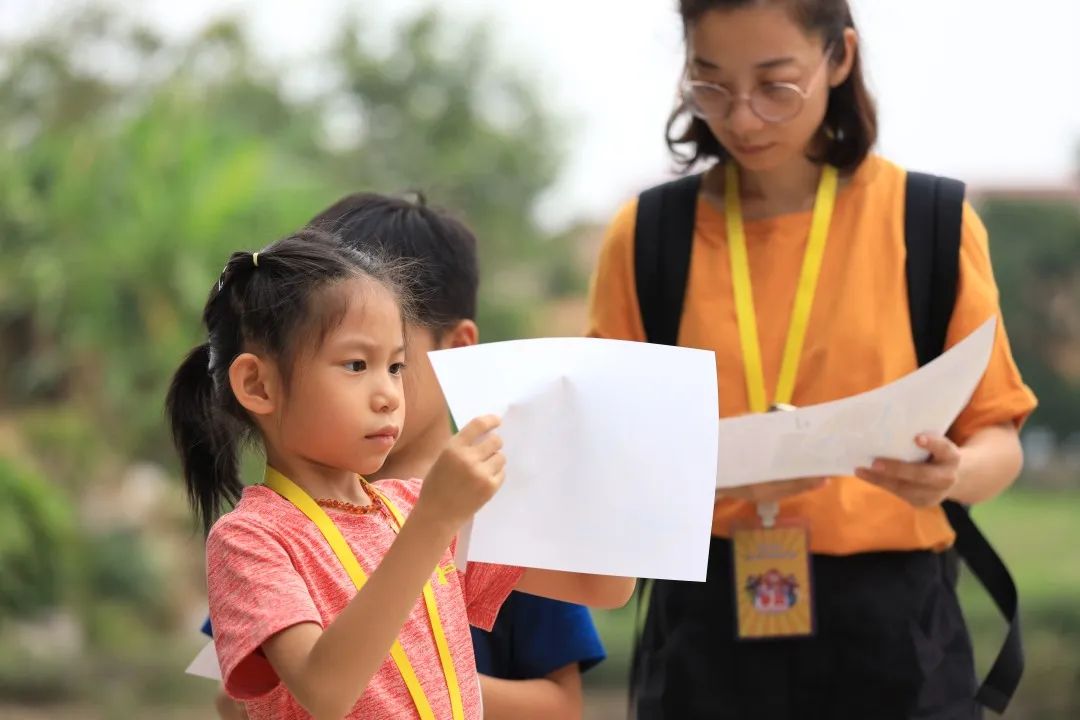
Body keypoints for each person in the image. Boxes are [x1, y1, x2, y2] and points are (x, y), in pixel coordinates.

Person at [586, 1, 1036, 718]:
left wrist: (952, 476)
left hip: (894, 622)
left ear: (840, 57)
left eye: (775, 85)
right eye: (711, 84)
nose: (741, 118)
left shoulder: (929, 222)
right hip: (705, 616)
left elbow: (998, 437)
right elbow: (604, 455)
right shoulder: (648, 237)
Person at [168, 230, 632, 719]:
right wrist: (434, 519)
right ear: (258, 385)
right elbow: (324, 692)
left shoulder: (414, 505)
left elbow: (603, 586)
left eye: (395, 366)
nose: (389, 394)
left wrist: (606, 457)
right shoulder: (250, 538)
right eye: (356, 364)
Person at [309, 192, 607, 719]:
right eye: (343, 361)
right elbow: (237, 692)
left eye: (388, 360)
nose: (365, 389)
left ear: (458, 348)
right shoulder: (291, 514)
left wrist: (401, 676)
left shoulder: (506, 510)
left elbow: (561, 707)